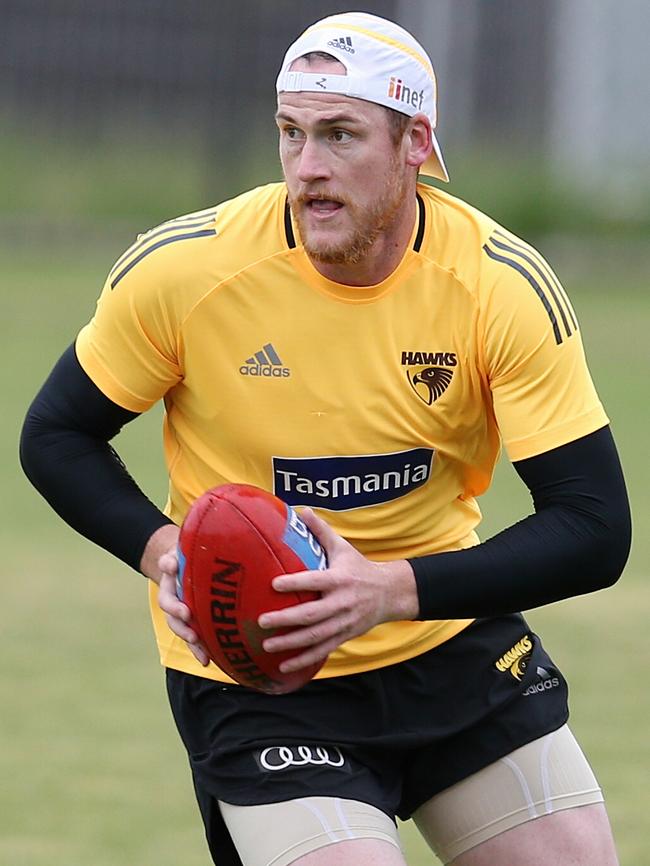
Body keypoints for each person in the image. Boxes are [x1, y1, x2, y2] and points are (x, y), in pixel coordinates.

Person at [20, 11, 631, 866]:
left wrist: (386, 591)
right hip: (257, 672)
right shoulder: (186, 271)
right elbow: (56, 435)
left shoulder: (499, 286)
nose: (308, 169)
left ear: (416, 142)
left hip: (444, 643)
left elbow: (595, 528)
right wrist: (169, 555)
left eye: (340, 136)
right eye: (291, 134)